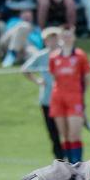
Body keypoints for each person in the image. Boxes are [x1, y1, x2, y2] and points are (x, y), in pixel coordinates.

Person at [23, 28, 66, 160]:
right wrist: (38, 81)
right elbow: (25, 69)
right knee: (53, 133)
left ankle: (72, 161)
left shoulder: (66, 54)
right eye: (49, 39)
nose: (52, 41)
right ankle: (59, 161)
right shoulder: (42, 56)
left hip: (65, 99)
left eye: (55, 38)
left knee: (68, 132)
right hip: (48, 100)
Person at [48, 27, 89, 163]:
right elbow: (53, 76)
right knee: (64, 135)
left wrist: (80, 94)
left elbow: (86, 78)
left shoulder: (80, 55)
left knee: (74, 134)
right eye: (64, 36)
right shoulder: (54, 56)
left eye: (69, 35)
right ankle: (68, 166)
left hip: (74, 97)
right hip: (57, 98)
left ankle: (78, 164)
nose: (66, 38)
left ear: (73, 37)